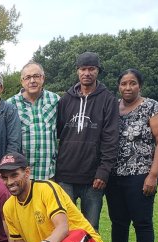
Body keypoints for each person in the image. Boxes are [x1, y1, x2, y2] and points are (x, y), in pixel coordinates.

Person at [106, 69, 158, 242]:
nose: (127, 87)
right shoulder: (114, 108)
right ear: (119, 86)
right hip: (115, 176)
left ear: (139, 86)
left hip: (141, 174)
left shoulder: (151, 107)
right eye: (123, 84)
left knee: (142, 223)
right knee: (118, 222)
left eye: (132, 83)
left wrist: (153, 175)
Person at [54, 52, 119, 231]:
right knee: (65, 227)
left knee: (90, 227)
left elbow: (111, 138)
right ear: (77, 71)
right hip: (65, 175)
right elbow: (58, 133)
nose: (87, 73)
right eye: (83, 69)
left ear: (98, 71)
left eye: (92, 69)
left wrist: (104, 171)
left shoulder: (108, 100)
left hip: (93, 177)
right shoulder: (66, 100)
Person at [5, 61, 59, 181]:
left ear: (43, 78)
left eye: (36, 76)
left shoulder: (55, 100)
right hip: (22, 174)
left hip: (49, 173)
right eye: (28, 77)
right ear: (22, 81)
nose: (32, 81)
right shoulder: (10, 104)